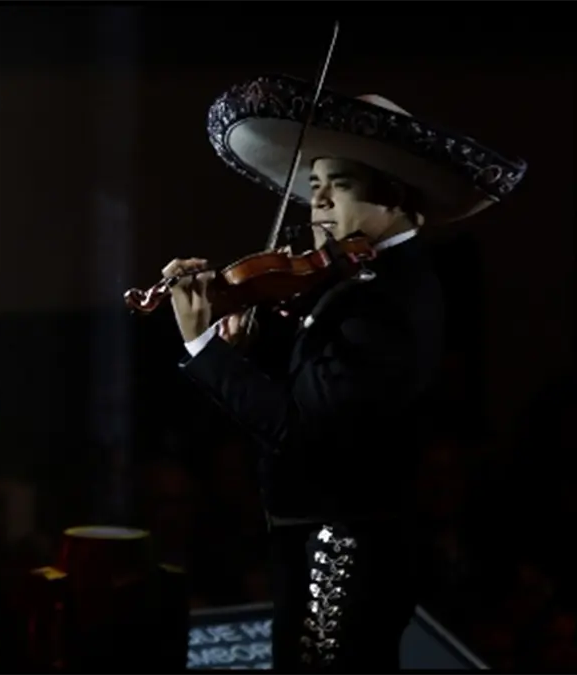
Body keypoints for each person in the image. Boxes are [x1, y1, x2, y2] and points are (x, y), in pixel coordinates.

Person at [164, 74, 526, 669]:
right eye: (315, 186)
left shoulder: (391, 296)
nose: (320, 203)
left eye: (341, 184)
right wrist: (249, 347)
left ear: (396, 197)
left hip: (345, 553)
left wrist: (204, 347)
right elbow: (314, 386)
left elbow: (302, 430)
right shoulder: (358, 281)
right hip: (320, 540)